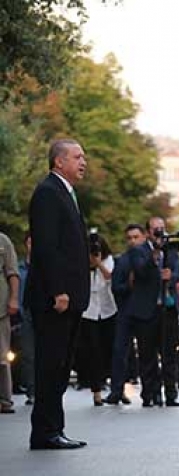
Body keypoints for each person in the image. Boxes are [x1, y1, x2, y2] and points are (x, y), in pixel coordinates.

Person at [26, 138, 90, 450]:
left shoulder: (66, 192)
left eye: (84, 157)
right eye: (77, 157)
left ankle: (54, 429)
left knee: (61, 366)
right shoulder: (48, 193)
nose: (83, 162)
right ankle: (45, 432)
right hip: (56, 300)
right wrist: (59, 291)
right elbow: (47, 248)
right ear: (58, 161)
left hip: (70, 298)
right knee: (50, 365)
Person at [105, 223, 147, 405]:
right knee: (119, 352)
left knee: (147, 353)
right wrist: (129, 286)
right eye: (129, 238)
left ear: (143, 237)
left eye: (136, 237)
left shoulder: (149, 258)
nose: (132, 241)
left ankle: (150, 393)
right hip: (126, 312)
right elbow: (115, 287)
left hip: (146, 312)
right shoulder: (122, 260)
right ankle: (116, 391)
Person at [145, 217, 179, 407]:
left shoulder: (171, 252)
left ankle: (171, 393)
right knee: (150, 354)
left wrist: (171, 275)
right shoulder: (143, 252)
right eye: (155, 230)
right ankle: (152, 393)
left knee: (169, 353)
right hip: (149, 309)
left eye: (162, 229)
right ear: (148, 233)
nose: (159, 233)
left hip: (168, 309)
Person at [78, 234, 117, 406]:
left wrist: (98, 263)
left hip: (108, 310)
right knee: (92, 351)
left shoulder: (108, 261)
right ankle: (96, 390)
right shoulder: (80, 264)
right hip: (88, 312)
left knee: (109, 348)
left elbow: (110, 278)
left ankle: (114, 384)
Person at [0, 230, 21, 414]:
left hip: (0, 307)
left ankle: (5, 400)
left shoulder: (3, 240)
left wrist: (14, 299)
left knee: (2, 356)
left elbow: (12, 273)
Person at [14, 232, 35, 405]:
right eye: (29, 242)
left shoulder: (47, 268)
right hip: (24, 314)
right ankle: (32, 390)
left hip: (44, 314)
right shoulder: (19, 269)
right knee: (28, 354)